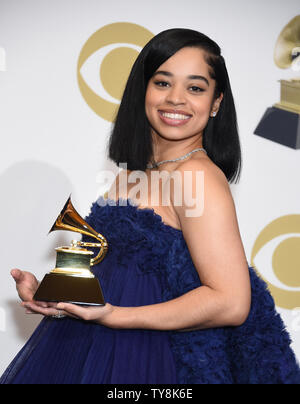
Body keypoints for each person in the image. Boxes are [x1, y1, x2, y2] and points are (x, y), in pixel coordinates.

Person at [1, 28, 300, 384]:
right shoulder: (130, 176)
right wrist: (60, 301)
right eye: (162, 83)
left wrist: (113, 316)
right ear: (142, 89)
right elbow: (120, 280)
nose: (176, 99)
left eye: (195, 87)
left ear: (216, 102)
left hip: (156, 361)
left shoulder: (198, 176)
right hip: (98, 350)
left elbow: (231, 303)